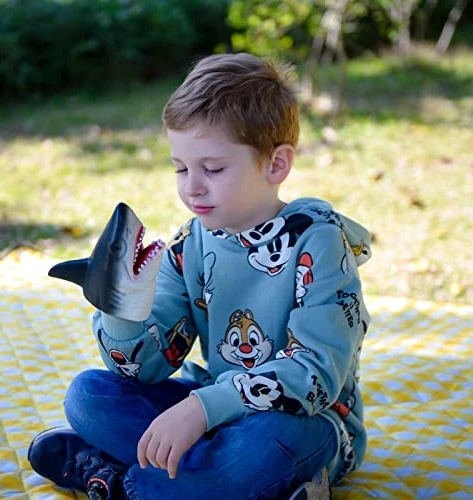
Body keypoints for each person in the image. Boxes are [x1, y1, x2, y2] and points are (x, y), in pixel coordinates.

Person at [28, 52, 372, 500]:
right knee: (89, 396)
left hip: (307, 420)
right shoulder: (191, 241)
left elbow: (316, 374)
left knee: (266, 447)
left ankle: (122, 484)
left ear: (276, 165)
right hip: (213, 412)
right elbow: (149, 366)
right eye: (181, 167)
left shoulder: (319, 243)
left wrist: (203, 409)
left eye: (212, 169)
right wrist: (122, 308)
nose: (191, 187)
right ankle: (214, 482)